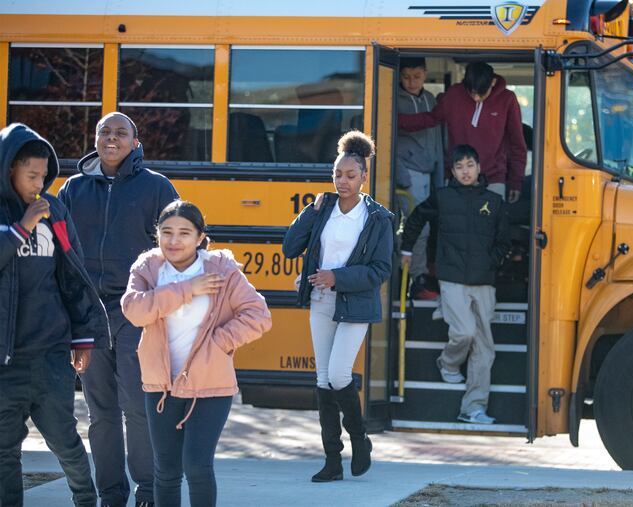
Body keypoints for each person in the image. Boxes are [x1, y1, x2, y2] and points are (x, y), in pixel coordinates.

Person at [58, 112, 179, 507]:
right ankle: (111, 493)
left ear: (135, 140)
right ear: (94, 138)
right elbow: (57, 249)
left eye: (120, 133)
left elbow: (184, 246)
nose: (112, 139)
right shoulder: (73, 190)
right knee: (101, 412)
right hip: (88, 314)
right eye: (104, 132)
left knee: (137, 406)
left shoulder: (156, 187)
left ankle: (147, 490)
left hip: (135, 312)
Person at [121, 200, 272, 507]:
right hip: (160, 386)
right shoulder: (148, 268)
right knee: (165, 470)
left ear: (201, 237)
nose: (174, 241)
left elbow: (259, 315)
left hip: (211, 385)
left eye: (184, 233)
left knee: (197, 465)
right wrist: (188, 288)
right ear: (157, 235)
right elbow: (135, 310)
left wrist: (220, 342)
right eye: (167, 232)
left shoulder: (221, 270)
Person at [0, 123, 110, 507]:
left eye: (44, 176)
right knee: (4, 450)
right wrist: (23, 226)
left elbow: (72, 273)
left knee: (65, 441)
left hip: (50, 355)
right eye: (31, 175)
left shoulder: (55, 209)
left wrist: (84, 336)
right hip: (5, 358)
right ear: (9, 169)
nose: (39, 184)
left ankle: (86, 500)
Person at [282, 131, 393, 482]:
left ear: (363, 176)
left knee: (339, 375)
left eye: (350, 175)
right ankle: (332, 461)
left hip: (356, 303)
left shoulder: (378, 218)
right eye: (337, 175)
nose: (342, 181)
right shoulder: (323, 207)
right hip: (320, 300)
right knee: (323, 380)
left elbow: (380, 271)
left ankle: (359, 440)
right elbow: (290, 247)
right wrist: (308, 213)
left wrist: (336, 278)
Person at [400, 144, 510, 424]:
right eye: (459, 166)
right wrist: (407, 250)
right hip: (451, 279)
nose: (465, 171)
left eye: (470, 165)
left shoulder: (494, 201)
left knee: (485, 348)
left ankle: (473, 409)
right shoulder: (443, 197)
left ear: (479, 168)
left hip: (484, 281)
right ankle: (447, 362)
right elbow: (415, 219)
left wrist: (491, 262)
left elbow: (504, 242)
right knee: (464, 333)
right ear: (452, 171)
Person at [398, 61, 527, 204]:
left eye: (481, 94)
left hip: (493, 178)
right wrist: (392, 119)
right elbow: (431, 119)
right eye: (472, 93)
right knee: (454, 225)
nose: (476, 98)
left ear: (493, 82)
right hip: (456, 178)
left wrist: (516, 181)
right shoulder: (455, 94)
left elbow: (517, 143)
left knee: (489, 225)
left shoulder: (507, 99)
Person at [396, 57, 444, 300]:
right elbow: (387, 140)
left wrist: (439, 176)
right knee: (418, 229)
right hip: (407, 174)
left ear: (425, 74)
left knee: (429, 227)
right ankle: (416, 280)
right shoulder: (393, 101)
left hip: (428, 173)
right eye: (405, 76)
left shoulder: (431, 100)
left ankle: (421, 274)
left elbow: (436, 141)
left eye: (416, 76)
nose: (411, 82)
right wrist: (401, 175)